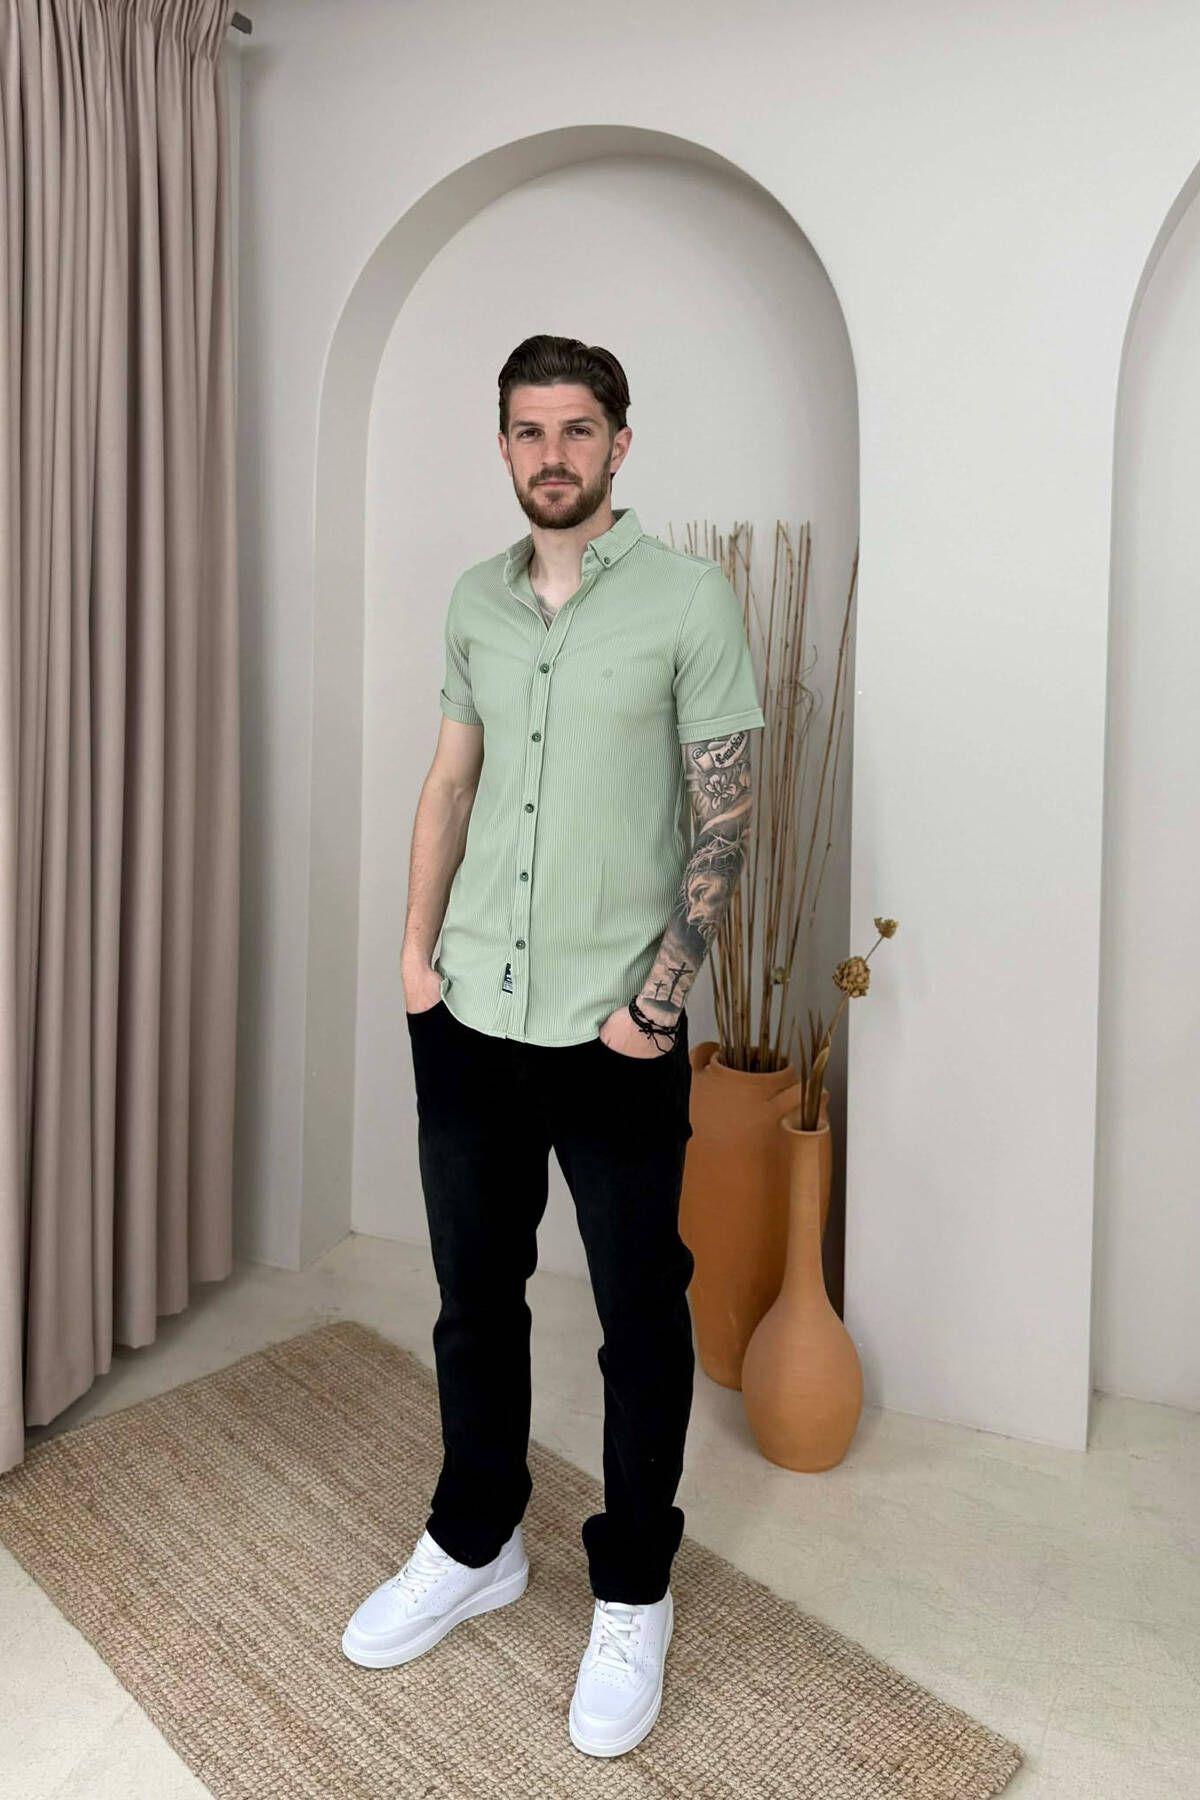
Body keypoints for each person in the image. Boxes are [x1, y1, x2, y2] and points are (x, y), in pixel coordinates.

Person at [341, 335, 765, 1758]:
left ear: (619, 444)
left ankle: (633, 1586)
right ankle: (476, 1540)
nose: (552, 454)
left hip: (615, 1030)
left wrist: (661, 1001)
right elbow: (452, 777)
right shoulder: (475, 599)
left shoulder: (690, 600)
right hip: (468, 1010)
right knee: (476, 1295)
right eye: (528, 431)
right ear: (506, 447)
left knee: (641, 1314)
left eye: (577, 429)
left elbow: (727, 814)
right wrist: (415, 955)